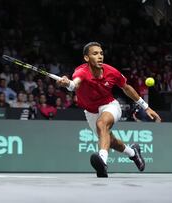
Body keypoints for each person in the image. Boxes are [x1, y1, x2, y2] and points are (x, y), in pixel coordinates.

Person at [57, 42, 161, 178]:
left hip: (110, 105)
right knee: (110, 141)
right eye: (95, 54)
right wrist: (67, 83)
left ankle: (103, 163)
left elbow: (126, 88)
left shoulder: (111, 72)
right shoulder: (81, 72)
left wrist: (146, 107)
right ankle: (133, 153)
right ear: (87, 58)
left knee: (102, 124)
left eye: (101, 53)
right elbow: (74, 84)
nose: (100, 56)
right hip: (90, 111)